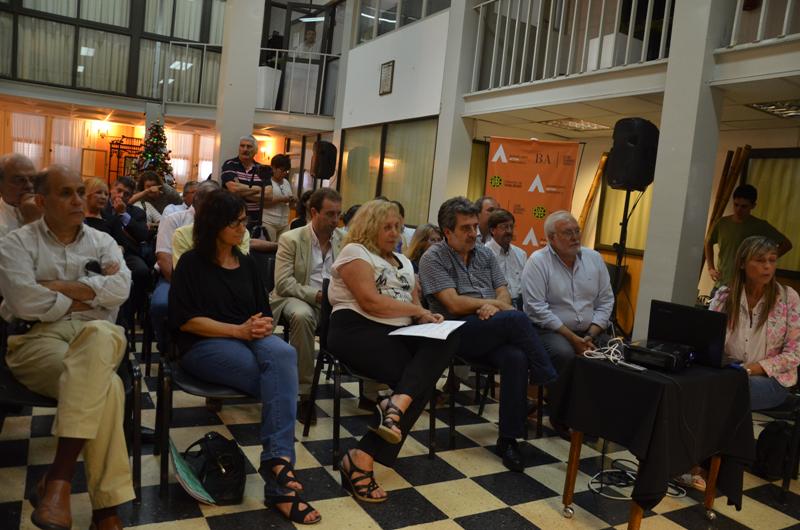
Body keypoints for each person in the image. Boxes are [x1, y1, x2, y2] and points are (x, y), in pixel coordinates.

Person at [168, 190, 320, 525]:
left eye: (244, 221)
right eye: (236, 222)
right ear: (215, 225)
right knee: (280, 380)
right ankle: (280, 480)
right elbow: (184, 320)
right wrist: (238, 330)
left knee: (284, 353)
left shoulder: (247, 263)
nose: (244, 228)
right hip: (204, 343)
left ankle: (277, 463)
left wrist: (260, 325)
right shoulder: (192, 264)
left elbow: (262, 311)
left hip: (248, 337)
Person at [0, 165, 132, 530]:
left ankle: (57, 480)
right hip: (36, 340)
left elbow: (121, 289)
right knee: (109, 387)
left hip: (95, 334)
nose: (78, 200)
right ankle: (105, 510)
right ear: (42, 201)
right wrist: (91, 294)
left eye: (80, 192)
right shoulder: (16, 244)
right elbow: (24, 301)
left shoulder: (102, 241)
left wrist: (52, 286)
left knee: (101, 335)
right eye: (66, 193)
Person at [328, 200, 458, 502]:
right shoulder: (355, 252)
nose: (394, 233)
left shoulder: (404, 262)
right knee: (419, 382)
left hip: (398, 334)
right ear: (369, 226)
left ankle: (389, 414)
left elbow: (415, 307)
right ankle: (366, 452)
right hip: (356, 330)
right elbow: (370, 301)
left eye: (398, 227)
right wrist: (417, 311)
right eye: (386, 227)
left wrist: (428, 317)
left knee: (450, 336)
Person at [419, 197, 556, 472]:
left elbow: (504, 292)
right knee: (516, 318)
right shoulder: (433, 258)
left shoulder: (484, 254)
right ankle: (546, 375)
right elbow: (454, 304)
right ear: (447, 231)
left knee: (516, 357)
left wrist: (493, 306)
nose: (473, 233)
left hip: (492, 326)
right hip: (455, 331)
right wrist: (493, 305)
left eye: (474, 226)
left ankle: (508, 440)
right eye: (465, 228)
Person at [271, 188, 342, 424]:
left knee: (365, 314)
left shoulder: (344, 240)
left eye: (338, 214)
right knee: (302, 316)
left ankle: (372, 393)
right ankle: (304, 394)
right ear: (314, 212)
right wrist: (318, 296)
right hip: (296, 296)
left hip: (334, 300)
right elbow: (283, 283)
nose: (335, 220)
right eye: (330, 214)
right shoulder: (291, 239)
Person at [709, 236, 800, 410]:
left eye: (772, 260)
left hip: (771, 380)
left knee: (731, 388)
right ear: (742, 264)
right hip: (728, 373)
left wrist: (750, 369)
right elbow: (709, 340)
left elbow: (795, 353)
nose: (767, 266)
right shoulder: (724, 296)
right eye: (760, 260)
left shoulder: (788, 297)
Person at [522, 211, 614, 374]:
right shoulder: (538, 262)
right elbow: (536, 308)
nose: (575, 237)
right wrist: (572, 338)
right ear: (552, 238)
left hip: (590, 331)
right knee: (564, 353)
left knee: (618, 350)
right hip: (549, 331)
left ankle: (591, 392)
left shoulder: (594, 258)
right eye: (567, 233)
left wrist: (590, 335)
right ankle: (555, 392)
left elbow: (606, 301)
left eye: (577, 231)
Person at [150, 180, 220, 353]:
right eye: (208, 200)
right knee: (162, 305)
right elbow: (164, 259)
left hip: (211, 280)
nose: (213, 205)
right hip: (172, 279)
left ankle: (206, 346)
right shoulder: (174, 220)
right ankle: (166, 346)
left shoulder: (221, 223)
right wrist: (186, 289)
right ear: (196, 200)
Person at [706, 184, 792, 289]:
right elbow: (708, 242)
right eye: (736, 205)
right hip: (722, 282)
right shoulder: (722, 223)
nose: (738, 209)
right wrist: (710, 268)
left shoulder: (760, 226)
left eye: (744, 206)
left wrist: (764, 260)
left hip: (747, 285)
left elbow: (786, 244)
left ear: (753, 206)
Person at [102, 176, 151, 327]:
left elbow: (143, 236)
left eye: (127, 194)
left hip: (128, 254)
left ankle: (131, 313)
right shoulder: (101, 208)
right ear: (111, 189)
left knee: (142, 271)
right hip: (102, 252)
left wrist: (123, 214)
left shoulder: (137, 213)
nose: (121, 196)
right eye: (119, 191)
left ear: (131, 197)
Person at [221, 135, 267, 231]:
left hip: (255, 220)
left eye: (249, 146)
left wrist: (241, 191)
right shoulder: (230, 164)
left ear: (255, 150)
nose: (245, 149)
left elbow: (268, 195)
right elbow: (233, 189)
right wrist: (258, 189)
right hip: (232, 219)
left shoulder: (262, 169)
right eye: (242, 146)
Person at [486, 209, 527, 310]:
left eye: (511, 227)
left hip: (521, 305)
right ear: (492, 230)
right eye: (504, 227)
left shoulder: (521, 254)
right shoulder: (484, 254)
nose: (509, 231)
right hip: (495, 306)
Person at [0, 153, 40, 236]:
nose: (29, 186)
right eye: (19, 180)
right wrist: (32, 222)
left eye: (33, 179)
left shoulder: (49, 210)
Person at [262, 154, 297, 242]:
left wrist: (292, 200)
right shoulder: (266, 181)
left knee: (284, 246)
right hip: (269, 222)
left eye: (286, 171)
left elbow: (290, 205)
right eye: (282, 170)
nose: (284, 173)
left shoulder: (286, 182)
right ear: (273, 168)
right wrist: (282, 199)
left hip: (284, 222)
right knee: (269, 247)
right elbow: (263, 202)